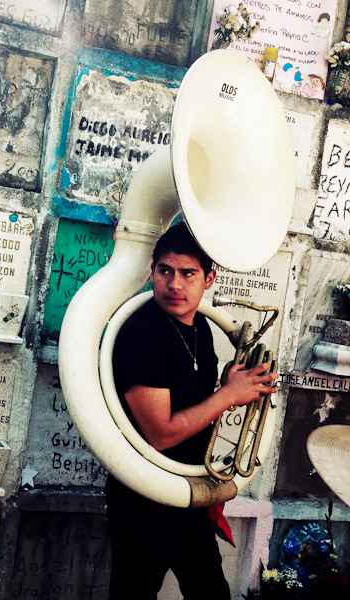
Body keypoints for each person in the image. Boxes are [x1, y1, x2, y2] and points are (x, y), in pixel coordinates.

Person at [105, 221, 278, 600]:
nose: (175, 284)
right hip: (144, 497)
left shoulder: (200, 326)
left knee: (211, 593)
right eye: (165, 270)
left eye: (188, 273)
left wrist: (229, 384)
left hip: (188, 493)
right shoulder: (142, 334)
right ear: (152, 271)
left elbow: (194, 401)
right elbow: (161, 433)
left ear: (209, 279)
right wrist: (228, 395)